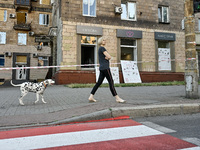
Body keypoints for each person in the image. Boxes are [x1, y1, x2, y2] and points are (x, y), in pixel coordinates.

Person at [88, 37, 126, 103]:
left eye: (105, 40)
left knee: (99, 83)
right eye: (103, 40)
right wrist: (108, 58)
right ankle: (117, 98)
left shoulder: (99, 49)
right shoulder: (102, 48)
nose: (105, 41)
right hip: (105, 68)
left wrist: (107, 58)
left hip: (102, 68)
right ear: (100, 41)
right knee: (111, 82)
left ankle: (91, 96)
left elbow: (107, 57)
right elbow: (109, 57)